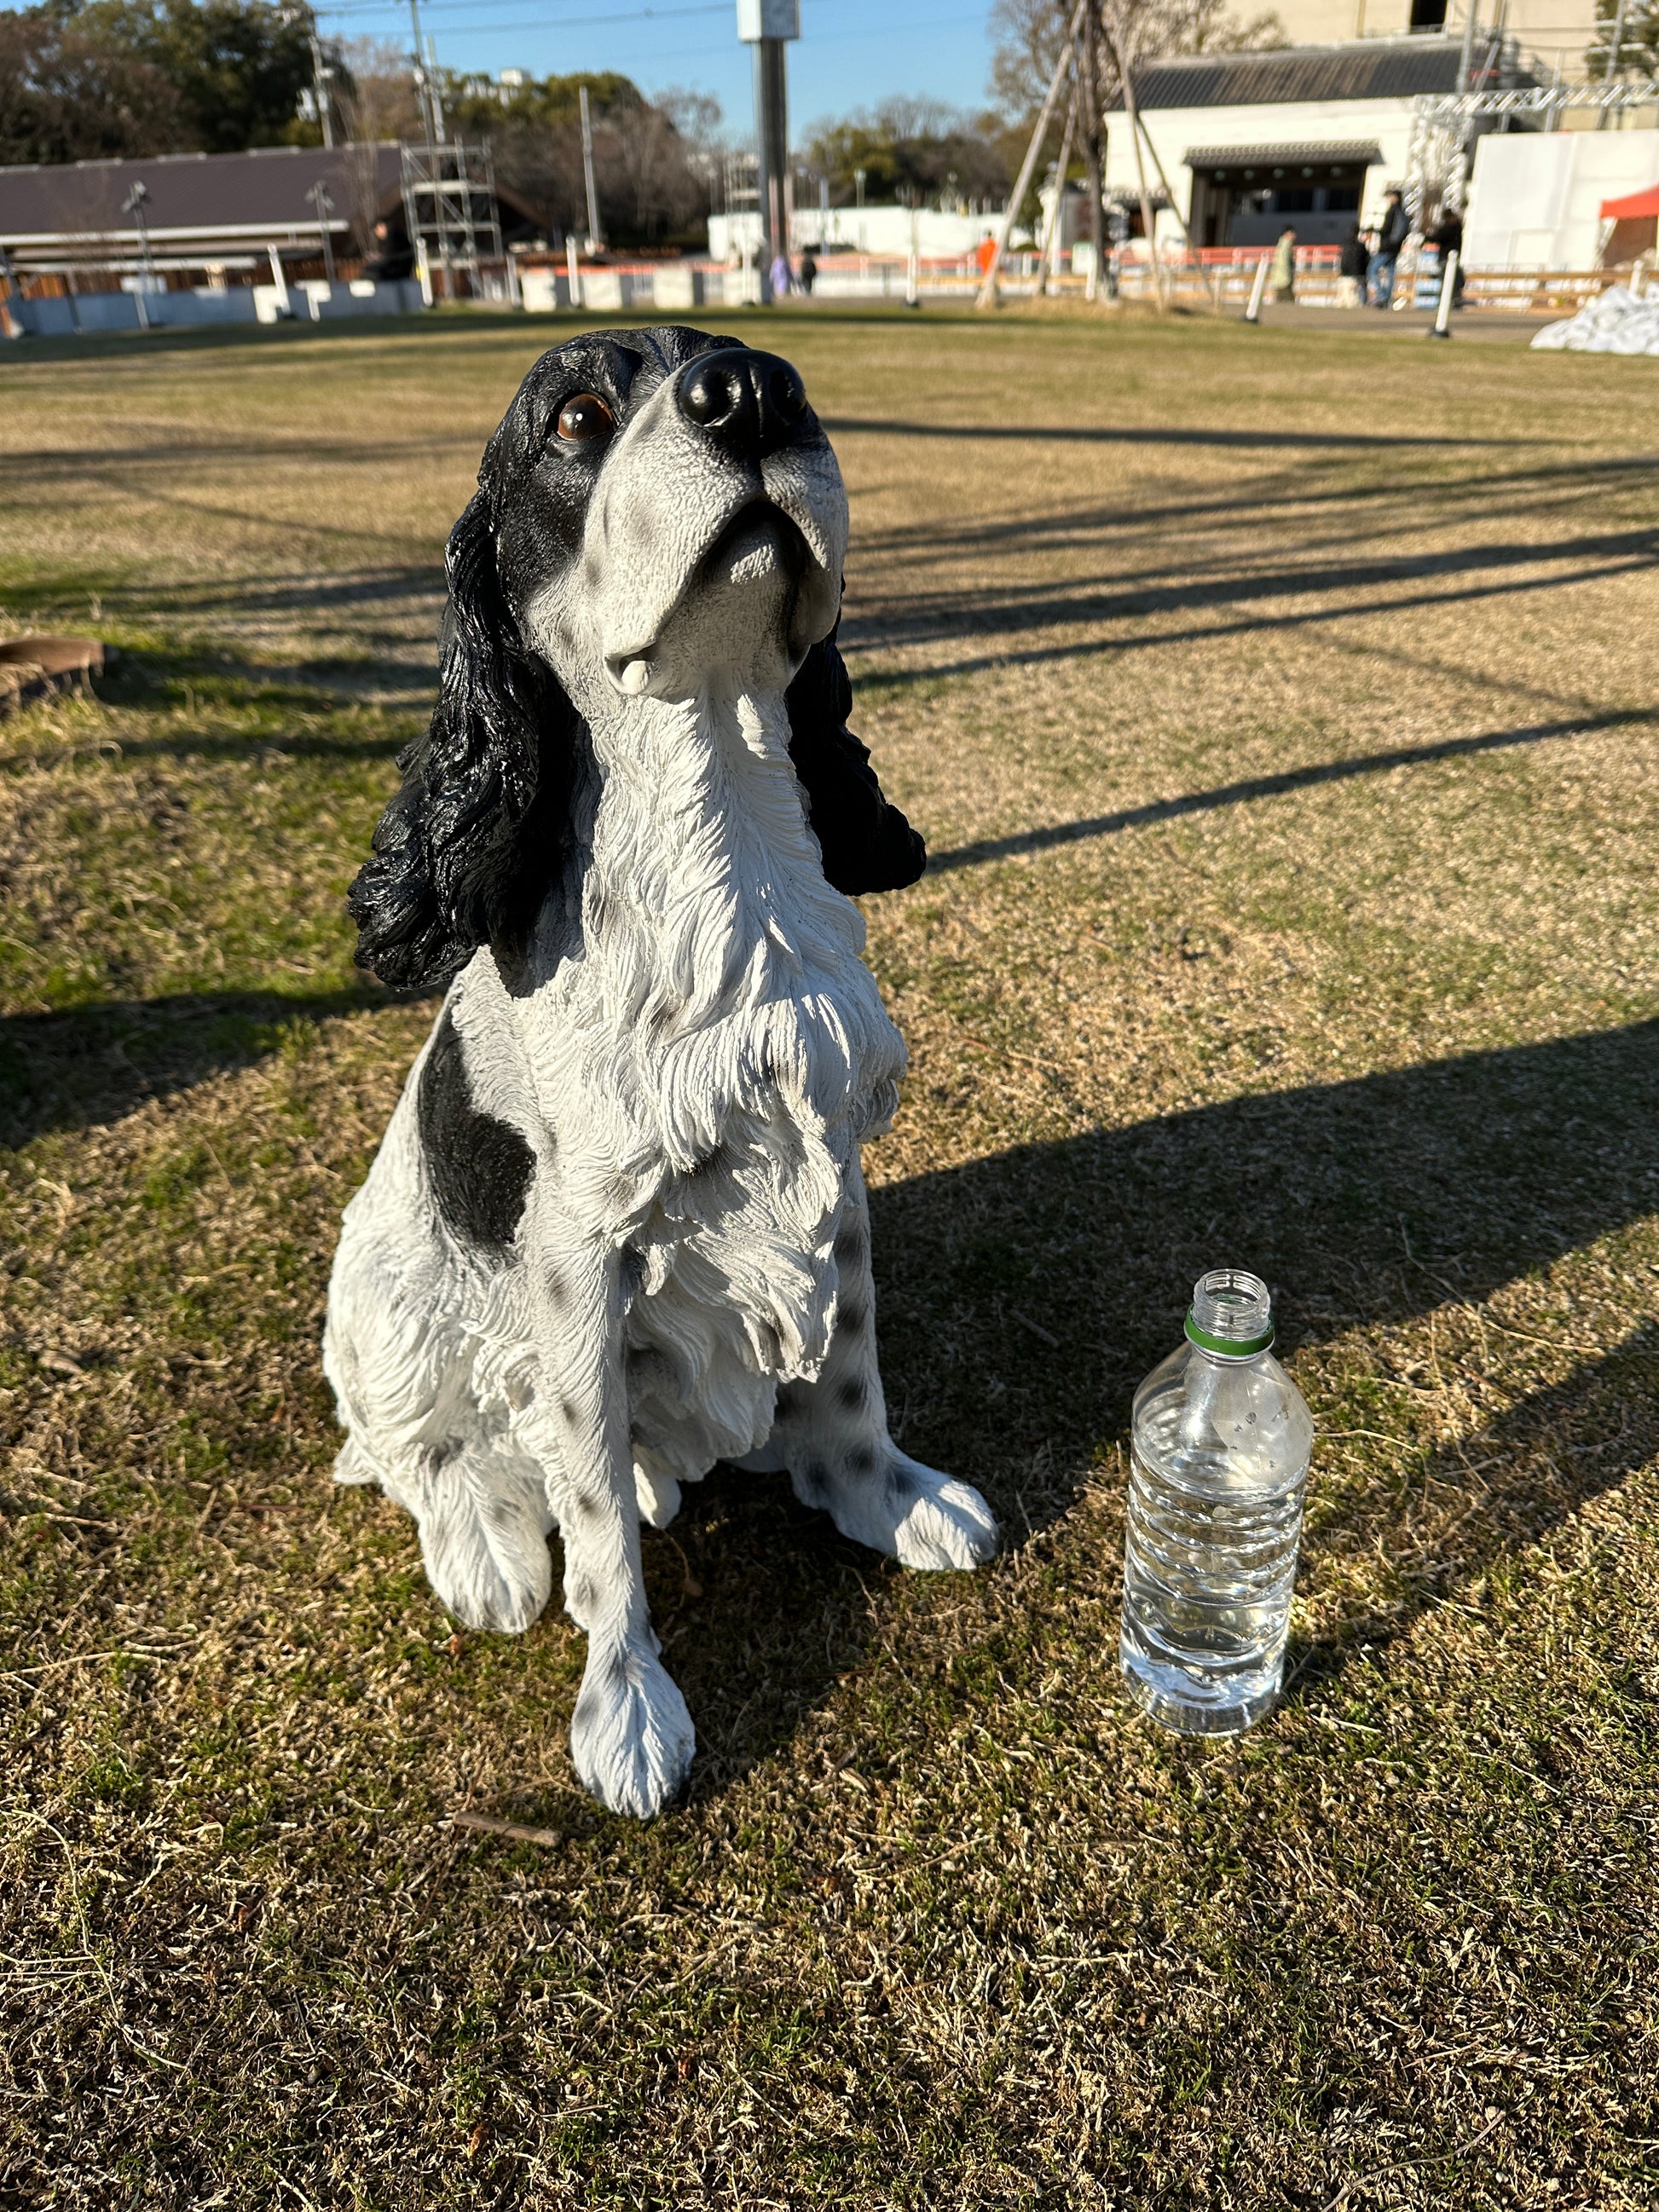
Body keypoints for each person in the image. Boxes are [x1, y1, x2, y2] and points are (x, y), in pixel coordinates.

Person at [1368, 188, 1409, 309]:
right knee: (1390, 273)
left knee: (1372, 270)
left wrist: (1376, 230)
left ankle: (1382, 296)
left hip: (1387, 246)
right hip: (1395, 247)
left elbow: (1386, 229)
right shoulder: (1402, 212)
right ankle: (1387, 298)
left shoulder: (1393, 211)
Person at [362, 219, 414, 283]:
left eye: (377, 231)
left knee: (370, 270)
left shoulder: (393, 235)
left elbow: (390, 257)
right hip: (399, 266)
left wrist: (379, 260)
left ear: (382, 226)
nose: (377, 234)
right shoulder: (395, 233)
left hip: (398, 269)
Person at [1338, 224, 1367, 309]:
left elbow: (1343, 261)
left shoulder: (1344, 245)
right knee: (1356, 303)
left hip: (1344, 276)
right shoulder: (1361, 246)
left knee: (1342, 303)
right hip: (1357, 277)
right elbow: (1365, 261)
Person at [1269, 224, 1297, 303]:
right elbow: (1283, 263)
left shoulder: (1282, 244)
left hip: (1280, 280)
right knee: (1288, 303)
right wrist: (1287, 279)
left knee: (1281, 303)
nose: (1295, 236)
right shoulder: (1285, 246)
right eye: (1292, 233)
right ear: (1287, 234)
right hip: (1283, 281)